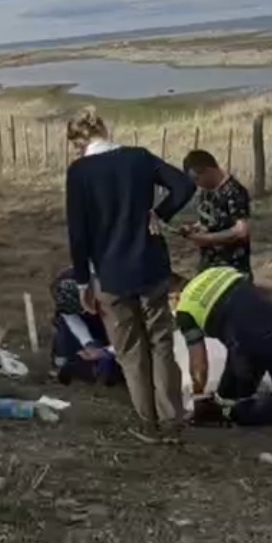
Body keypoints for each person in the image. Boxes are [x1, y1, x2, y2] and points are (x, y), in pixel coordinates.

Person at [64, 107, 195, 441]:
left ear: (79, 139)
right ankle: (172, 422)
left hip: (110, 273)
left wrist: (82, 280)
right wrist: (159, 213)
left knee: (132, 351)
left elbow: (78, 234)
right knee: (161, 342)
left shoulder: (79, 173)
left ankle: (148, 425)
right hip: (150, 265)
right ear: (104, 130)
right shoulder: (138, 157)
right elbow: (183, 184)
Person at [171, 267, 272, 440]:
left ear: (174, 296)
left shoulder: (185, 310)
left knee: (227, 404)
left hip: (249, 346)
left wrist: (199, 397)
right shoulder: (217, 272)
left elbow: (199, 364)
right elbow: (263, 289)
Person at [177, 149, 251, 277]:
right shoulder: (206, 192)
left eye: (197, 179)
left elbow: (241, 231)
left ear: (208, 171)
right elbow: (209, 220)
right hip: (209, 266)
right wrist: (193, 228)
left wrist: (206, 239)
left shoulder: (234, 192)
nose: (197, 184)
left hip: (231, 270)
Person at [49, 266, 121, 386]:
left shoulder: (114, 294)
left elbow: (131, 335)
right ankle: (63, 363)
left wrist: (106, 351)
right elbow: (70, 316)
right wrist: (89, 343)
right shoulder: (61, 286)